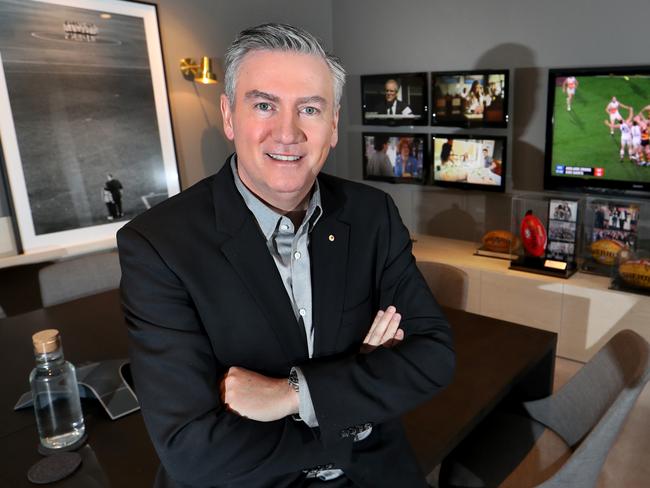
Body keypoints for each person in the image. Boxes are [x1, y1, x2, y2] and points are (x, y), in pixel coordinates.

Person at [118, 23, 454, 488]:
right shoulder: (157, 245)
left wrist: (292, 394)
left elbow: (433, 356)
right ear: (229, 116)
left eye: (310, 109)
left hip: (374, 473)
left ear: (333, 125)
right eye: (263, 105)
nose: (288, 132)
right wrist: (356, 402)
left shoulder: (372, 212)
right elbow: (193, 449)